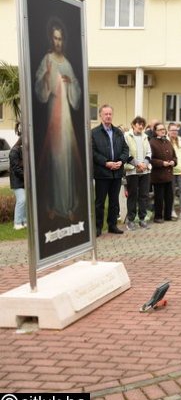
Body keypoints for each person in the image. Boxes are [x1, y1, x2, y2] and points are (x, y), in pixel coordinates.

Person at [34, 17, 83, 221]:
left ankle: (69, 205)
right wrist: (48, 78)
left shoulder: (68, 63)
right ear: (50, 39)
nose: (58, 42)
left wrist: (70, 83)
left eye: (61, 39)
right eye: (55, 38)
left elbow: (77, 91)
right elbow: (40, 89)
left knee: (67, 160)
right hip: (53, 117)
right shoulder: (47, 60)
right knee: (55, 159)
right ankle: (54, 205)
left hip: (67, 122)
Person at [91, 105, 129, 236]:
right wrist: (106, 163)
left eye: (110, 114)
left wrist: (121, 161)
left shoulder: (118, 132)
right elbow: (92, 152)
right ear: (100, 115)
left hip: (117, 173)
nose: (108, 116)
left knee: (114, 202)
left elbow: (125, 149)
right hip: (102, 173)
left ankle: (112, 225)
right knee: (100, 202)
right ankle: (97, 227)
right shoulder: (94, 133)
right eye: (105, 114)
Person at [123, 116, 152, 230]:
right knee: (132, 195)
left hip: (145, 171)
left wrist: (144, 164)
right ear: (133, 125)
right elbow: (127, 152)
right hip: (132, 170)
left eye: (142, 124)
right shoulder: (126, 136)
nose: (140, 126)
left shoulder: (145, 137)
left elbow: (149, 152)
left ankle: (142, 219)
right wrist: (137, 164)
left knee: (144, 195)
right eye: (138, 124)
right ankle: (130, 220)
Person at [149, 122, 177, 223]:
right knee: (159, 198)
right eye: (160, 129)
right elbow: (150, 159)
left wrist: (174, 161)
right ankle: (158, 217)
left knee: (169, 197)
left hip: (169, 174)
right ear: (155, 131)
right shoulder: (152, 142)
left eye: (163, 129)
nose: (162, 131)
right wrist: (162, 163)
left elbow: (174, 155)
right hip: (158, 175)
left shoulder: (167, 142)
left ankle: (168, 216)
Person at [9, 138, 25, 230]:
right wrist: (26, 176)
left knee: (26, 201)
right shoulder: (14, 151)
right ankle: (17, 223)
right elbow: (15, 168)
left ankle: (24, 221)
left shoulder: (23, 150)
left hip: (23, 180)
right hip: (17, 181)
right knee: (22, 200)